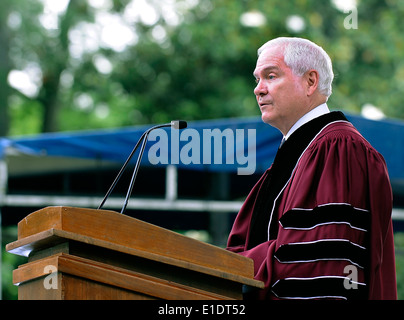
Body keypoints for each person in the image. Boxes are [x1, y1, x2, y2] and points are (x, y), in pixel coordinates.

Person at [226, 37, 397, 300]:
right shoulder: (294, 157)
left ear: (310, 82)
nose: (258, 89)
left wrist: (236, 264)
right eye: (257, 79)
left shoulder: (339, 151)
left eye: (271, 76)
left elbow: (319, 263)